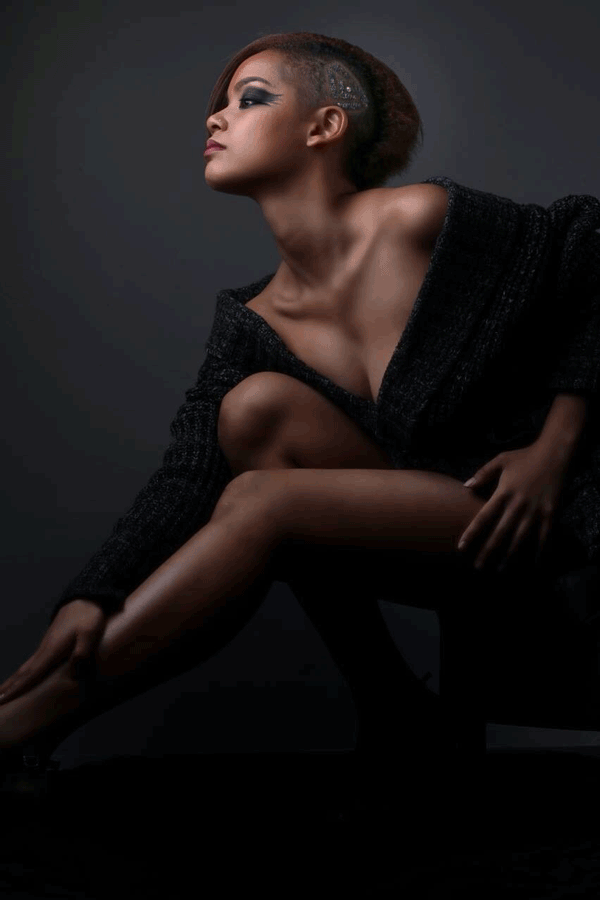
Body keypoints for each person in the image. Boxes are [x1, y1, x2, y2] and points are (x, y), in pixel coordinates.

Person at [1, 32, 598, 779]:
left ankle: (24, 721)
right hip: (431, 520)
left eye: (250, 99)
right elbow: (188, 473)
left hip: (544, 510)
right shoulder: (253, 320)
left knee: (264, 500)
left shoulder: (417, 219)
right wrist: (94, 592)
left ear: (325, 127)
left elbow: (591, 240)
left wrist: (552, 452)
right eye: (219, 105)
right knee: (253, 411)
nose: (215, 118)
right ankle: (393, 702)